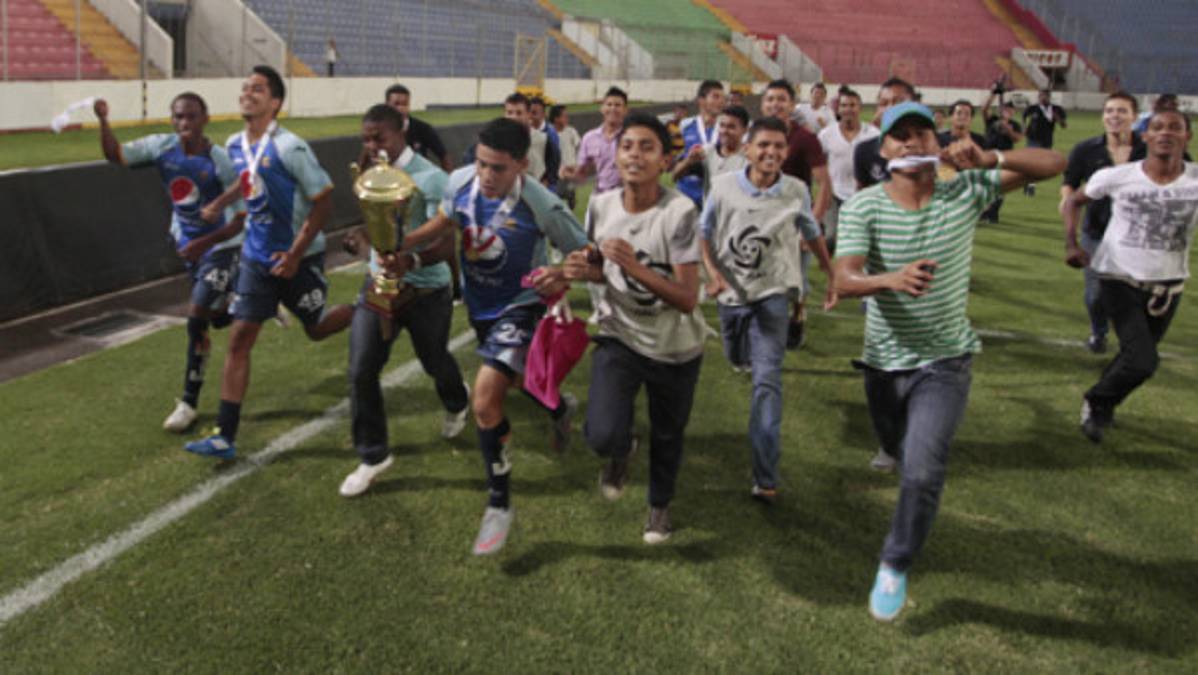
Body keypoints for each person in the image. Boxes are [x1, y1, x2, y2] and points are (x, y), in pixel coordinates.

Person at [833, 102, 1065, 621]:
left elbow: (1056, 164)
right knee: (894, 446)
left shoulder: (966, 190)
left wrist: (991, 157)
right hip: (883, 363)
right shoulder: (865, 207)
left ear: (938, 145)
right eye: (901, 137)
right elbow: (843, 279)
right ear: (883, 151)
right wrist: (887, 280)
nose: (913, 143)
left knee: (921, 470)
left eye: (923, 134)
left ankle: (895, 561)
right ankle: (893, 447)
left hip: (946, 360)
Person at [398, 117, 588, 555]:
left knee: (485, 400)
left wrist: (561, 273)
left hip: (522, 307)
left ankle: (499, 503)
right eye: (481, 163)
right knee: (520, 383)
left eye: (498, 168)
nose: (486, 175)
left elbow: (583, 252)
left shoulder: (543, 204)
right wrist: (401, 243)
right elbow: (446, 222)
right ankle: (558, 405)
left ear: (522, 165)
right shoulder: (461, 181)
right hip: (481, 307)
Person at [184, 65, 353, 461]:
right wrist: (221, 204)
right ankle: (225, 435)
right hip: (257, 259)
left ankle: (365, 310)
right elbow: (245, 181)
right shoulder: (235, 144)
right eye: (245, 87)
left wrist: (295, 254)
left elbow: (323, 202)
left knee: (318, 328)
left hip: (298, 258)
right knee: (240, 337)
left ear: (275, 102)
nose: (247, 93)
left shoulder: (291, 147)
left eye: (257, 89)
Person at [562, 113, 707, 544]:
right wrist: (575, 270)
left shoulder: (680, 211)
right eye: (627, 146)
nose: (635, 156)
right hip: (619, 334)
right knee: (601, 432)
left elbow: (686, 297)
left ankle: (659, 507)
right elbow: (597, 265)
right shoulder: (601, 204)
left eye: (647, 147)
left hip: (675, 347)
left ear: (665, 160)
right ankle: (620, 451)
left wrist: (632, 265)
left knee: (668, 432)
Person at [700, 117, 836, 504]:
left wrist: (830, 273)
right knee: (735, 355)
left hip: (773, 294)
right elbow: (703, 232)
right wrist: (712, 274)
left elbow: (810, 231)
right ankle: (739, 353)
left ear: (786, 152)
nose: (771, 153)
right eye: (763, 145)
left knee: (767, 382)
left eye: (778, 146)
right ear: (748, 149)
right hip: (731, 296)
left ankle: (765, 476)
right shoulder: (725, 187)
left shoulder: (795, 190)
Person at [338, 104, 471, 497]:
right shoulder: (368, 175)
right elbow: (375, 226)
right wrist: (362, 242)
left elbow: (446, 241)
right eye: (366, 138)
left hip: (427, 288)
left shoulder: (432, 179)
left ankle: (457, 399)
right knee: (361, 368)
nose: (372, 145)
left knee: (434, 359)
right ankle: (373, 454)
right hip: (378, 286)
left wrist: (410, 259)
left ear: (403, 133)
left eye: (379, 137)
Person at [94, 93, 245, 432]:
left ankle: (188, 402)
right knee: (216, 316)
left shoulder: (219, 160)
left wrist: (206, 237)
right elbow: (116, 155)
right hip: (189, 245)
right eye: (178, 117)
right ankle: (250, 303)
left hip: (223, 246)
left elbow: (239, 220)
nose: (184, 124)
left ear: (205, 118)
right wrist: (104, 121)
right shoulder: (161, 147)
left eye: (191, 117)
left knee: (195, 318)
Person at [1062, 110, 1196, 444]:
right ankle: (1097, 400)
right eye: (1157, 128)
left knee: (1133, 355)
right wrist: (1072, 243)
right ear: (1145, 138)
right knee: (1142, 360)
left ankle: (1102, 406)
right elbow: (1073, 202)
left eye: (1175, 128)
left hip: (1168, 284)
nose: (1166, 133)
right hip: (1118, 276)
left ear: (1187, 137)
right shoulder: (1117, 176)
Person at [1060, 91, 1146, 354]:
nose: (1114, 116)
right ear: (1103, 117)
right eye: (1109, 111)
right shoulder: (1086, 150)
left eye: (1121, 111)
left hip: (1139, 236)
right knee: (1096, 294)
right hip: (1096, 233)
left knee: (1135, 293)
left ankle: (1132, 339)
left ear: (1134, 116)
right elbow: (1069, 185)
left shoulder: (1149, 149)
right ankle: (1099, 331)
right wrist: (1067, 207)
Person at [760, 78, 832, 350]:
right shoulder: (753, 137)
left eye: (781, 99)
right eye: (770, 99)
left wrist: (810, 224)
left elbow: (824, 183)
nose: (775, 104)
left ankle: (798, 316)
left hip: (794, 222)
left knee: (797, 280)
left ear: (792, 104)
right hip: (761, 220)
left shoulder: (805, 139)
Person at [818, 88, 878, 252]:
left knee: (862, 240)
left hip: (862, 196)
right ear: (839, 109)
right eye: (844, 105)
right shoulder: (826, 134)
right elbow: (818, 165)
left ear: (860, 108)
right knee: (831, 237)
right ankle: (830, 271)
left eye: (853, 105)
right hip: (835, 195)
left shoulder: (873, 135)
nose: (848, 109)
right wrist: (825, 189)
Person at [854, 77, 919, 190]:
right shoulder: (864, 151)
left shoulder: (936, 148)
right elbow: (860, 195)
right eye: (883, 103)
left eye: (898, 102)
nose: (890, 108)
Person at [671, 105, 749, 198]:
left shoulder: (750, 158)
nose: (724, 131)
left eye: (731, 127)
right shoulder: (708, 152)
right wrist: (688, 161)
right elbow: (675, 176)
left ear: (745, 130)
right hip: (710, 212)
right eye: (722, 125)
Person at [561, 86, 628, 195]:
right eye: (609, 104)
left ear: (625, 110)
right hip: (599, 198)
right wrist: (569, 173)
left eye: (617, 105)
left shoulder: (631, 137)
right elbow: (583, 175)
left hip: (626, 199)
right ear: (602, 108)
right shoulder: (589, 138)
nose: (613, 109)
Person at [676, 80, 726, 208]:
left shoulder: (727, 128)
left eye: (723, 98)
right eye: (715, 97)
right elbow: (675, 163)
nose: (721, 101)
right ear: (701, 100)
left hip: (716, 196)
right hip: (687, 194)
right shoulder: (685, 126)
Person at [979, 93, 1025, 223]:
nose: (1007, 112)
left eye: (1010, 110)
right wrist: (993, 93)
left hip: (1005, 157)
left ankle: (993, 213)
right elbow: (983, 109)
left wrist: (1008, 130)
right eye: (1005, 109)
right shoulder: (992, 120)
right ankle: (985, 210)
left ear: (1013, 112)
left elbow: (1018, 139)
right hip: (988, 155)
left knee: (999, 186)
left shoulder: (1014, 125)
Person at [384, 84, 451, 171]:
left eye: (405, 104)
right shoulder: (379, 129)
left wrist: (449, 181)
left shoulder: (422, 128)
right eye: (396, 104)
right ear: (387, 104)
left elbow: (444, 156)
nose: (401, 108)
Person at [1022, 89, 1067, 196]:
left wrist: (1058, 119)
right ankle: (1031, 186)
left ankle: (1027, 181)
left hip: (1047, 140)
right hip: (1033, 138)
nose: (1042, 98)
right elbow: (1024, 117)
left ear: (1049, 97)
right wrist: (1024, 127)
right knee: (1034, 162)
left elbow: (1064, 125)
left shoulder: (1056, 109)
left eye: (1044, 96)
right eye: (1040, 96)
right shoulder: (1033, 108)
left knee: (1041, 165)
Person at [549, 104, 581, 209]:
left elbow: (578, 147)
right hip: (556, 172)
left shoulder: (571, 131)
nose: (567, 118)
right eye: (564, 116)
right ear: (556, 118)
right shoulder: (549, 134)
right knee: (556, 195)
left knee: (566, 194)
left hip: (571, 170)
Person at [529, 95, 562, 192]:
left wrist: (547, 181)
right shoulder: (525, 131)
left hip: (545, 183)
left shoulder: (550, 134)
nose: (530, 116)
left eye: (534, 113)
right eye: (529, 112)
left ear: (543, 114)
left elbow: (555, 160)